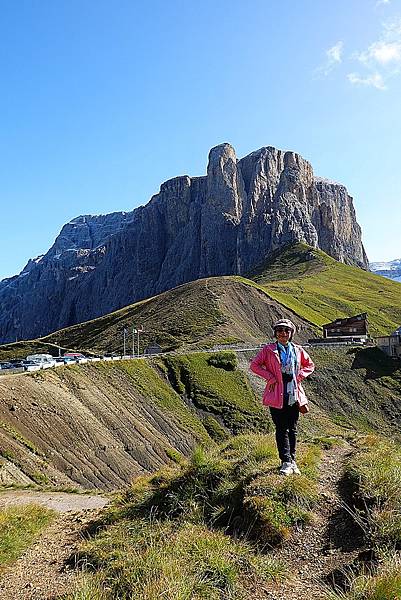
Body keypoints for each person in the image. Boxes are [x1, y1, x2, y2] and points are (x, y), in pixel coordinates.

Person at [250, 318, 314, 476]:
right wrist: (270, 377)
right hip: (276, 393)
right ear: (275, 333)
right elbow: (254, 365)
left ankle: (293, 461)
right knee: (281, 428)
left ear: (291, 333)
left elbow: (310, 365)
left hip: (293, 394)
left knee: (292, 428)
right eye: (279, 331)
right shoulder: (268, 350)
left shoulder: (298, 350)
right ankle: (285, 461)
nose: (283, 333)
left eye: (286, 330)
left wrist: (298, 376)